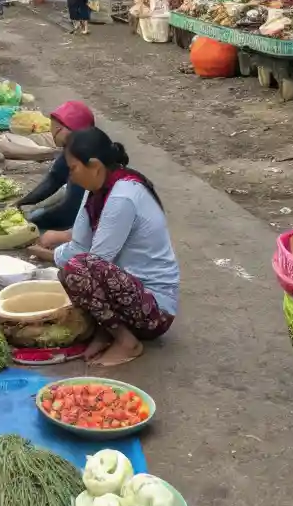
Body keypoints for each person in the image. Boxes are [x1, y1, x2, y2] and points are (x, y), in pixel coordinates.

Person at [33, 126, 179, 367]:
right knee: (71, 269)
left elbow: (94, 262)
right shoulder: (98, 190)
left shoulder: (122, 196)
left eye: (73, 169)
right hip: (129, 295)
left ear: (95, 165)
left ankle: (126, 341)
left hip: (155, 310)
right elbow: (80, 243)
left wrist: (50, 256)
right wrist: (46, 252)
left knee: (75, 270)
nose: (71, 177)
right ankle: (110, 332)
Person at [19, 100, 96, 238]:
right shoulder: (74, 148)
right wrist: (23, 202)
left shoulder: (82, 160)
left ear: (62, 129)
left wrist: (32, 221)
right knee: (36, 213)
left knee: (36, 222)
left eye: (54, 128)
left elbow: (70, 210)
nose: (52, 132)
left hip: (93, 220)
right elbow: (54, 179)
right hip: (83, 210)